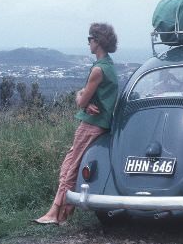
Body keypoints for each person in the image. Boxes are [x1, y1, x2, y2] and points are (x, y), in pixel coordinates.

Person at [34, 23, 119, 225]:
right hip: (101, 124)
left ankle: (55, 212)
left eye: (89, 39)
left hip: (91, 124)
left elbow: (80, 100)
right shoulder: (109, 66)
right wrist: (84, 99)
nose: (88, 43)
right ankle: (65, 211)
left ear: (97, 42)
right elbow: (83, 97)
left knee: (70, 166)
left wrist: (83, 100)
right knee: (71, 162)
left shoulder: (98, 70)